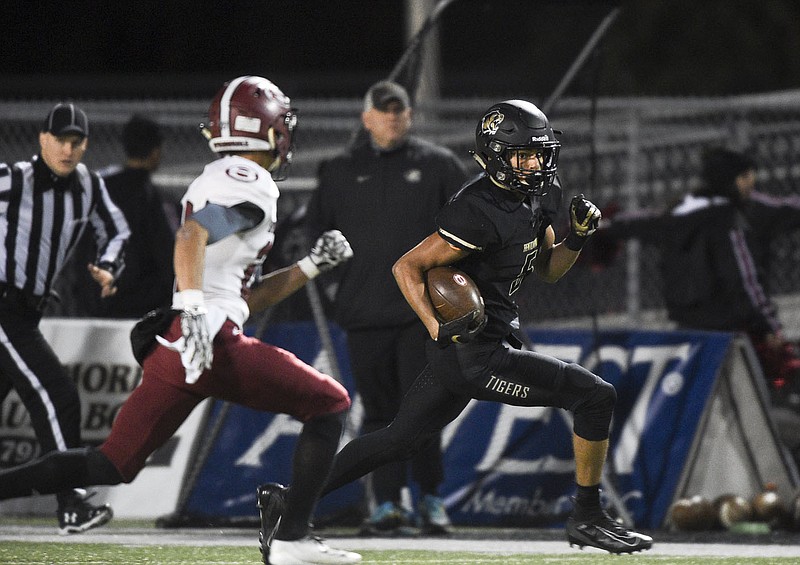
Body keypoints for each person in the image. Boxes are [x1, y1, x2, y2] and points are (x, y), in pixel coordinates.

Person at [261, 100, 654, 554]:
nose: (534, 164)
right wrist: (434, 326)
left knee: (399, 439)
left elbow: (548, 268)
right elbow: (406, 266)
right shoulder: (476, 207)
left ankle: (289, 504)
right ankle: (587, 516)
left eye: (539, 153)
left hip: (482, 343)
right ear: (493, 156)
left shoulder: (545, 192)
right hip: (473, 351)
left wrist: (578, 238)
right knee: (594, 395)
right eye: (521, 155)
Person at [0, 77, 361, 565]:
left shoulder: (223, 175)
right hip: (208, 339)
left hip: (183, 343)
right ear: (270, 130)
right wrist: (194, 308)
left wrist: (311, 266)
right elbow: (190, 236)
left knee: (111, 464)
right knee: (331, 405)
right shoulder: (249, 182)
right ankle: (291, 537)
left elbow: (240, 295)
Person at [305, 80, 469, 534]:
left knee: (425, 410)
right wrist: (336, 286)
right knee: (378, 412)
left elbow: (468, 229)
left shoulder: (438, 165)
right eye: (384, 109)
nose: (393, 116)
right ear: (367, 117)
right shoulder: (338, 170)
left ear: (410, 115)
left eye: (400, 109)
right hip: (364, 315)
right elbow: (316, 232)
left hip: (424, 314)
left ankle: (432, 501)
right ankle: (387, 504)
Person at [0, 102, 130, 534]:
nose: (68, 149)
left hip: (26, 313)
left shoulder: (88, 186)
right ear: (42, 140)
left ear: (86, 145)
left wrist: (109, 266)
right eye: (60, 139)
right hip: (4, 307)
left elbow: (116, 230)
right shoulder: (12, 178)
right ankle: (71, 503)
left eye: (77, 142)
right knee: (57, 396)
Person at [598, 146, 800, 407]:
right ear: (732, 180)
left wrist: (600, 226)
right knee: (759, 399)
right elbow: (743, 279)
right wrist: (768, 326)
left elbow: (637, 223)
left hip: (689, 329)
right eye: (746, 176)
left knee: (697, 400)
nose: (752, 182)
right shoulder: (728, 220)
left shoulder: (680, 212)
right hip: (731, 331)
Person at [53, 114, 176, 318]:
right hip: (142, 305)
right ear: (155, 152)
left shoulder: (101, 187)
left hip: (95, 298)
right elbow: (166, 255)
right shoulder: (154, 198)